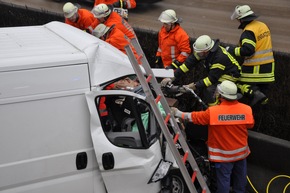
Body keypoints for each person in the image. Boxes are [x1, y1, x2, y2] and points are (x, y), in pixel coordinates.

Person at [171, 80, 254, 193]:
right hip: (241, 154)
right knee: (240, 179)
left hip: (223, 156)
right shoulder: (246, 109)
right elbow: (250, 124)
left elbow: (195, 117)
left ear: (221, 95)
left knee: (223, 181)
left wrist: (178, 113)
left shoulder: (213, 112)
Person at [161, 35, 241, 106]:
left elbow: (211, 79)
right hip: (219, 73)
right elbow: (187, 65)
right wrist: (172, 77)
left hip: (230, 75)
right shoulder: (204, 53)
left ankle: (214, 110)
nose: (197, 54)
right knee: (203, 86)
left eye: (200, 53)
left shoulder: (219, 58)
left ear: (206, 51)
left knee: (210, 90)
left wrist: (192, 86)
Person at [227, 5, 275, 106]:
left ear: (241, 19)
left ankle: (256, 95)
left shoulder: (248, 31)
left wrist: (231, 50)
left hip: (255, 70)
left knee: (236, 83)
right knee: (261, 100)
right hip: (268, 69)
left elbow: (248, 50)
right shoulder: (262, 25)